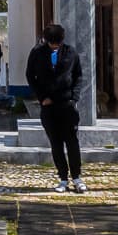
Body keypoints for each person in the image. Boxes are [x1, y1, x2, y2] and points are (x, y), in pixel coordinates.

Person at [27, 23, 85, 193]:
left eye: (57, 43)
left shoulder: (70, 52)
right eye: (52, 43)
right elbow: (30, 75)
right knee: (56, 143)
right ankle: (63, 178)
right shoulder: (37, 53)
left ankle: (77, 177)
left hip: (66, 103)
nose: (55, 45)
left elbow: (78, 75)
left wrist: (74, 97)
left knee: (72, 142)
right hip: (48, 105)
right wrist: (41, 97)